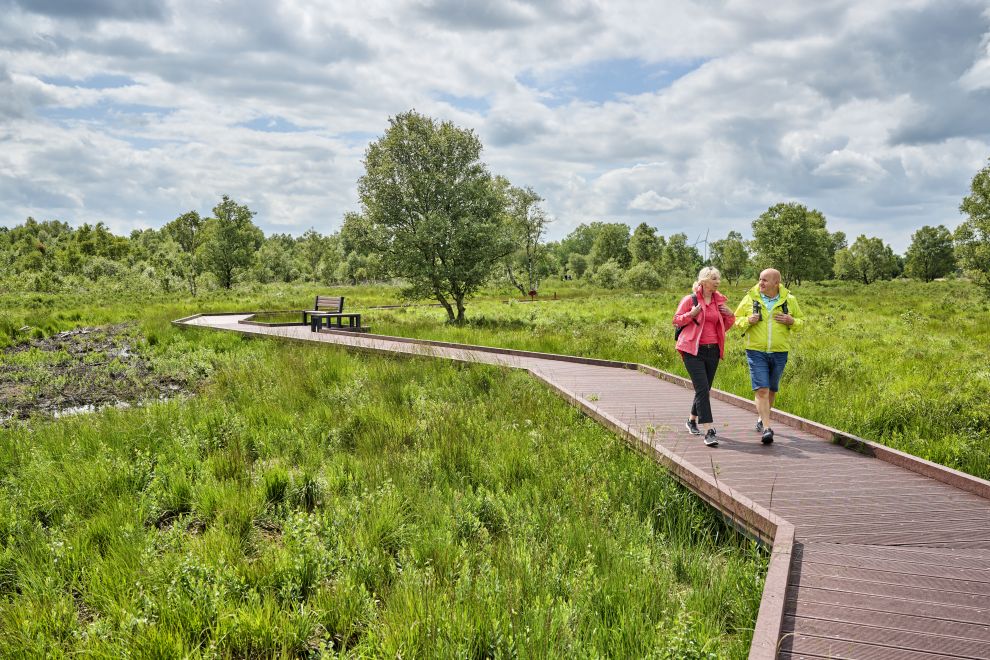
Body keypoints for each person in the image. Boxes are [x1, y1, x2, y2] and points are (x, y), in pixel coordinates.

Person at [733, 268, 804, 445]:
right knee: (762, 389)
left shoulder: (790, 300)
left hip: (780, 351)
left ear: (776, 283)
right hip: (756, 350)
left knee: (772, 389)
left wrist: (791, 321)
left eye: (764, 280)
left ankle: (761, 418)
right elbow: (735, 319)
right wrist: (747, 320)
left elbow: (801, 322)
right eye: (760, 279)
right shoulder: (750, 298)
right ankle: (767, 428)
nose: (760, 283)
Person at [673, 266, 736, 447]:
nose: (718, 282)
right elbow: (676, 320)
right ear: (704, 281)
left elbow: (724, 326)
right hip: (692, 350)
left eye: (718, 278)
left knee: (704, 389)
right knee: (702, 389)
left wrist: (730, 316)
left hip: (713, 350)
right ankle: (709, 430)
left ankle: (691, 420)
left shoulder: (718, 302)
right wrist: (690, 314)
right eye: (714, 279)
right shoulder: (690, 300)